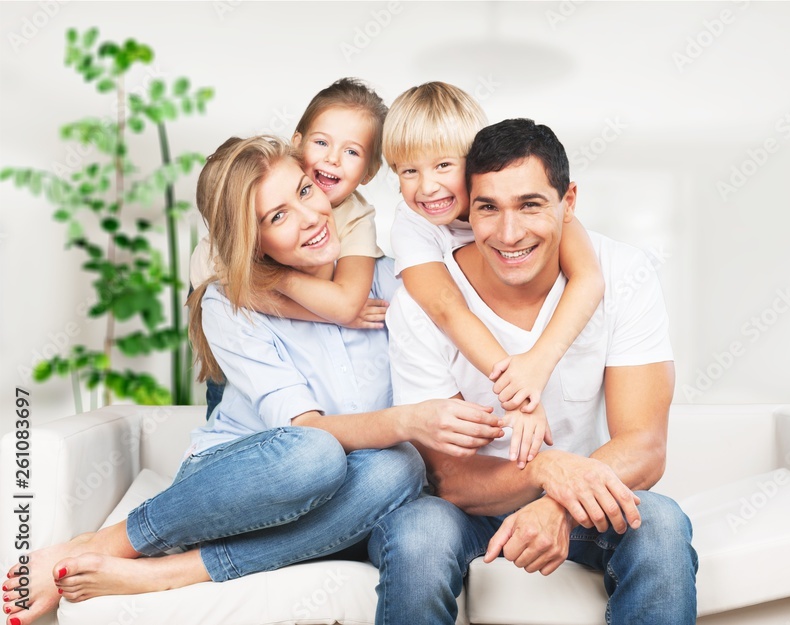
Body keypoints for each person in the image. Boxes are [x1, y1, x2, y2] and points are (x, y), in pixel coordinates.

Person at [1, 136, 504, 625]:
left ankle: (173, 574)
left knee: (404, 473)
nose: (310, 218)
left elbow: (495, 247)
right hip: (245, 485)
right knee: (316, 452)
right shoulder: (231, 304)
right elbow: (309, 430)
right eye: (277, 217)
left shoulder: (396, 280)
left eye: (305, 191)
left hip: (360, 496)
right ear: (252, 239)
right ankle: (97, 546)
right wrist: (407, 420)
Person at [368, 119, 698, 625]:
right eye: (488, 208)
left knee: (660, 524)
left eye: (530, 204)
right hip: (467, 509)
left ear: (568, 202)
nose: (509, 233)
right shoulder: (421, 303)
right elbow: (448, 477)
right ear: (465, 209)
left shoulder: (623, 273)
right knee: (419, 533)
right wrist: (544, 469)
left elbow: (645, 447)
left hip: (582, 494)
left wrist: (560, 504)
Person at [382, 82, 606, 467]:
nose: (427, 186)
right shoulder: (412, 225)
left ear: (473, 163)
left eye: (443, 165)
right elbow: (446, 307)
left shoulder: (526, 197)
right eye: (408, 171)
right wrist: (519, 393)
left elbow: (589, 279)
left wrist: (537, 364)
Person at [190, 78, 391, 418]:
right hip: (242, 356)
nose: (333, 159)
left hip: (310, 365)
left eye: (352, 151)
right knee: (232, 403)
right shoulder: (241, 217)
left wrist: (274, 279)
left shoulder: (356, 217)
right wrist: (283, 282)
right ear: (297, 145)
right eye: (322, 142)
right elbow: (223, 292)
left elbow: (345, 306)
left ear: (370, 172)